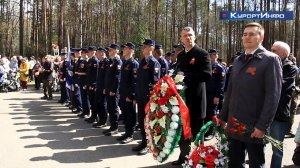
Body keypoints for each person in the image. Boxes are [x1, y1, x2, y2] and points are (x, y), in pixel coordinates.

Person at [217, 22, 282, 168]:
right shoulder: (238, 61)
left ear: (261, 37)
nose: (247, 37)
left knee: (256, 164)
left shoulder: (270, 60)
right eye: (245, 34)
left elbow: (273, 96)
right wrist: (222, 116)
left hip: (254, 127)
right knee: (234, 163)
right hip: (234, 124)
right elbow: (230, 92)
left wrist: (262, 126)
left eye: (252, 34)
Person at [172, 27, 212, 165]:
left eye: (190, 35)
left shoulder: (202, 54)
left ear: (194, 37)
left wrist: (185, 77)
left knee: (196, 133)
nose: (187, 37)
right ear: (181, 38)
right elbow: (177, 72)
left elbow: (207, 74)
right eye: (185, 36)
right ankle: (183, 158)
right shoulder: (181, 55)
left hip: (196, 100)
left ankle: (198, 161)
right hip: (182, 101)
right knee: (182, 133)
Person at [269, 41, 297, 168]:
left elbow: (280, 86)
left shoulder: (290, 68)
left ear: (284, 53)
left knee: (277, 149)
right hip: (262, 113)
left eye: (274, 50)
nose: (271, 52)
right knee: (258, 146)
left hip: (278, 115)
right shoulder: (268, 64)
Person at [133, 39, 161, 155]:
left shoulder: (154, 63)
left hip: (148, 98)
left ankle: (149, 145)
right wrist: (135, 95)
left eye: (145, 46)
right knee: (141, 120)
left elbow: (155, 82)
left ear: (151, 48)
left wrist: (151, 97)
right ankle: (144, 141)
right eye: (142, 46)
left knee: (149, 122)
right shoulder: (142, 62)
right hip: (140, 96)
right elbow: (138, 81)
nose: (142, 48)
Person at [117, 42, 139, 144]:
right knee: (125, 114)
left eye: (125, 48)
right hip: (123, 93)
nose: (123, 50)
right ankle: (126, 132)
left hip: (128, 95)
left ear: (131, 50)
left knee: (130, 115)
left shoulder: (134, 63)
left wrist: (131, 96)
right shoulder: (125, 62)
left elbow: (135, 82)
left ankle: (130, 134)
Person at [205, 49, 226, 140]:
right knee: (205, 113)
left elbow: (221, 84)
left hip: (214, 95)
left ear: (216, 55)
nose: (210, 56)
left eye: (212, 54)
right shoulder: (206, 66)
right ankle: (205, 130)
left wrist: (218, 96)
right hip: (205, 94)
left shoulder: (219, 68)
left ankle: (211, 131)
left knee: (212, 113)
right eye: (209, 54)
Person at [102, 44, 122, 136]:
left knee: (113, 108)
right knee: (110, 108)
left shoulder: (117, 61)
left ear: (116, 50)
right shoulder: (111, 61)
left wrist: (113, 90)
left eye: (110, 50)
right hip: (108, 89)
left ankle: (115, 127)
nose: (108, 51)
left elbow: (117, 78)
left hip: (113, 90)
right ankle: (112, 126)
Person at [93, 47, 109, 127]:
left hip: (103, 88)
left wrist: (105, 88)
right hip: (99, 86)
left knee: (103, 104)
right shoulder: (100, 62)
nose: (96, 54)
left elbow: (106, 77)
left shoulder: (107, 62)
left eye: (98, 53)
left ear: (102, 53)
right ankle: (100, 119)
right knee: (98, 103)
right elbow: (98, 76)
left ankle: (103, 121)